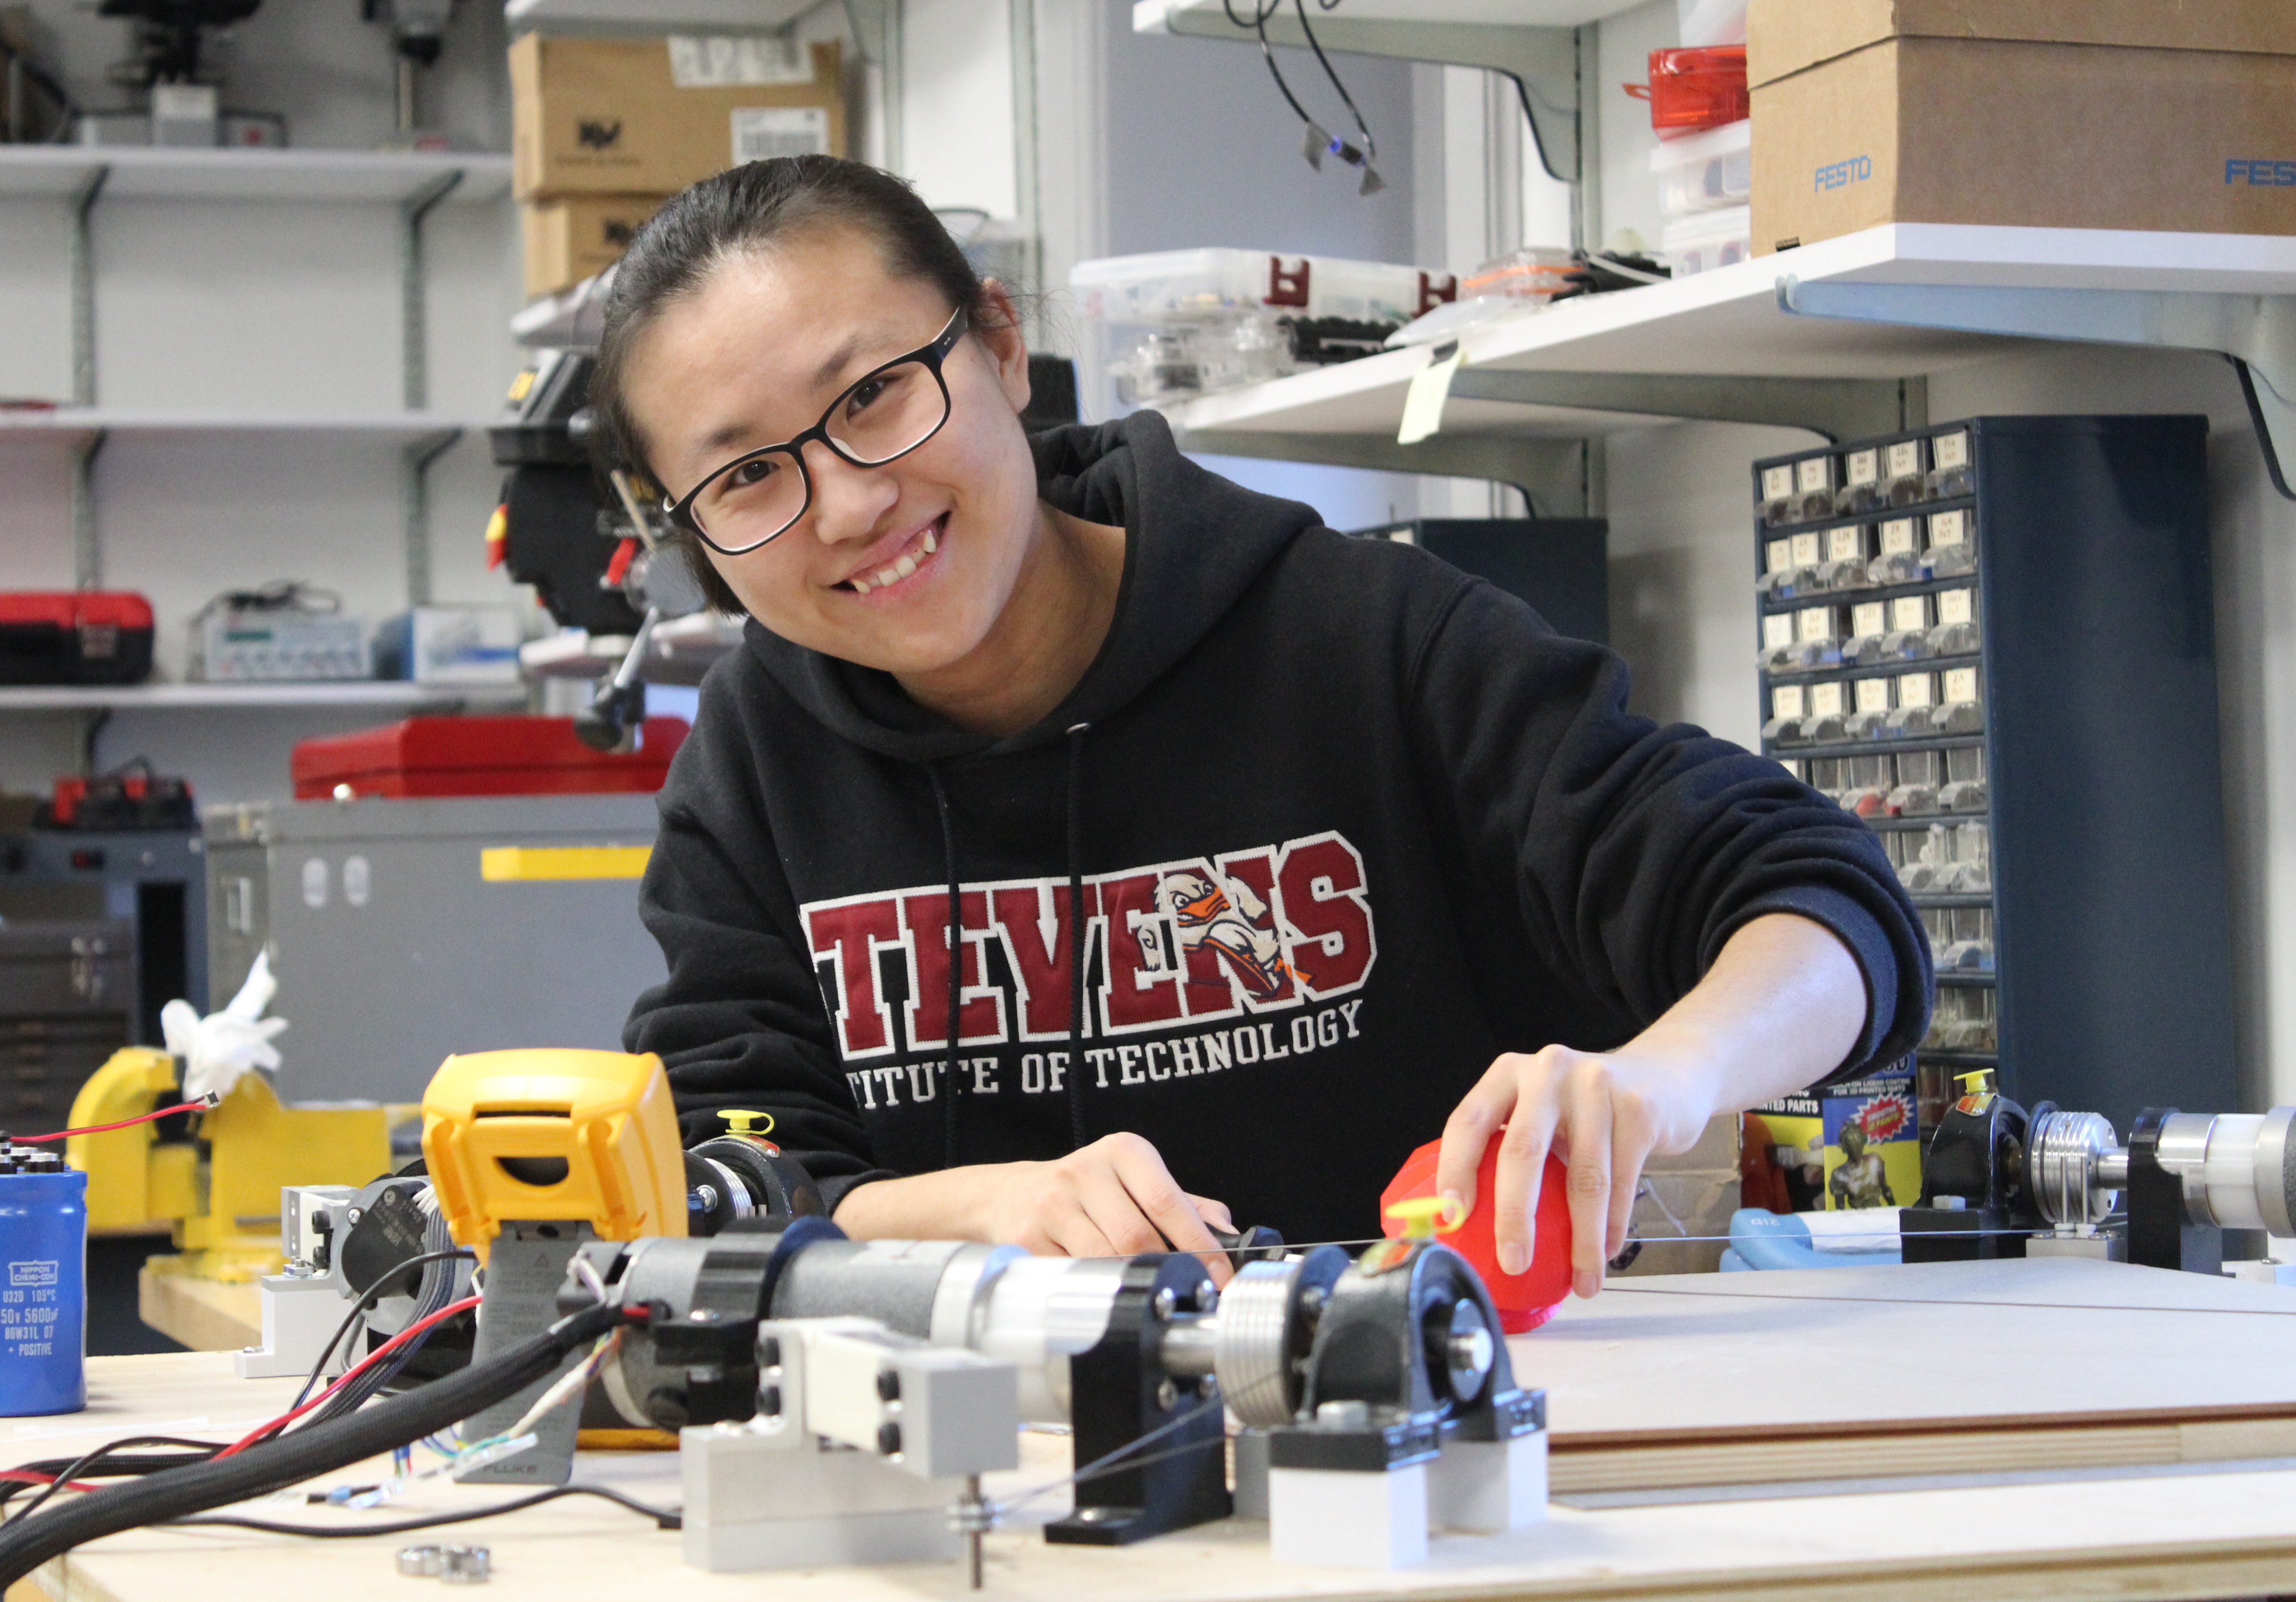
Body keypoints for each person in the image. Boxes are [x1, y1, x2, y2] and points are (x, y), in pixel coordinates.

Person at [599, 155, 1930, 1298]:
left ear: (1000, 347)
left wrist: (1662, 1079)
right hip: (992, 1474)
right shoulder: (758, 757)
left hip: (1437, 1436)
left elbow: (1826, 902)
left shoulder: (1359, 639)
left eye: (875, 395)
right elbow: (720, 1167)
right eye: (750, 475)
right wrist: (985, 1206)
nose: (845, 507)